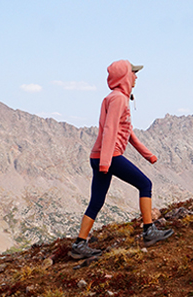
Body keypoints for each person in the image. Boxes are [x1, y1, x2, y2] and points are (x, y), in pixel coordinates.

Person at [70, 59, 174, 260]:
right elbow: (110, 129)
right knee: (145, 184)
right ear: (125, 76)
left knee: (96, 201)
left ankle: (79, 245)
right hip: (109, 156)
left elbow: (128, 132)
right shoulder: (118, 99)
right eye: (133, 73)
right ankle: (149, 231)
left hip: (101, 155)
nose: (136, 77)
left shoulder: (116, 97)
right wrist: (106, 162)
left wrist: (147, 154)